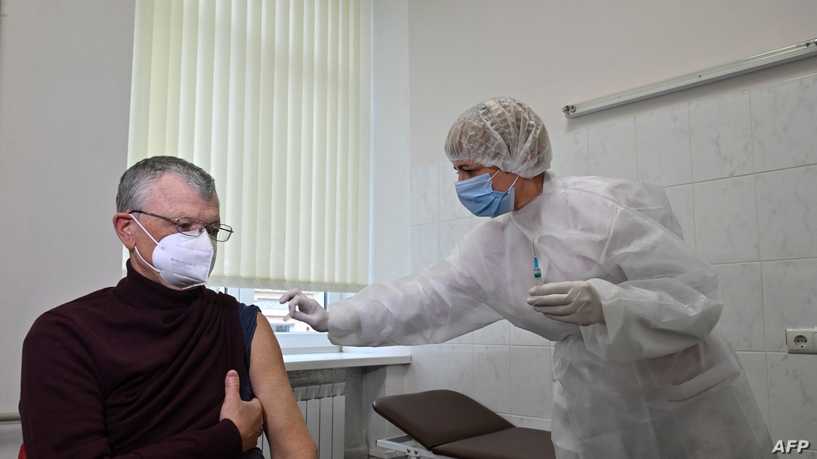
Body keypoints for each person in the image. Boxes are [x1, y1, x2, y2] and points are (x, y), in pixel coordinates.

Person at [283, 97, 773, 458]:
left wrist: (606, 304)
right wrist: (336, 316)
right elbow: (427, 297)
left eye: (469, 170)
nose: (461, 185)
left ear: (515, 162)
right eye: (457, 172)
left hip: (682, 393)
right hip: (595, 398)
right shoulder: (492, 245)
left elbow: (691, 297)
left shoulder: (607, 208)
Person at [20, 157, 316, 459]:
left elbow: (298, 450)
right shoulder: (64, 336)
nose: (203, 243)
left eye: (212, 229)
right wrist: (229, 436)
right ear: (127, 229)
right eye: (184, 225)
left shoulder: (241, 323)